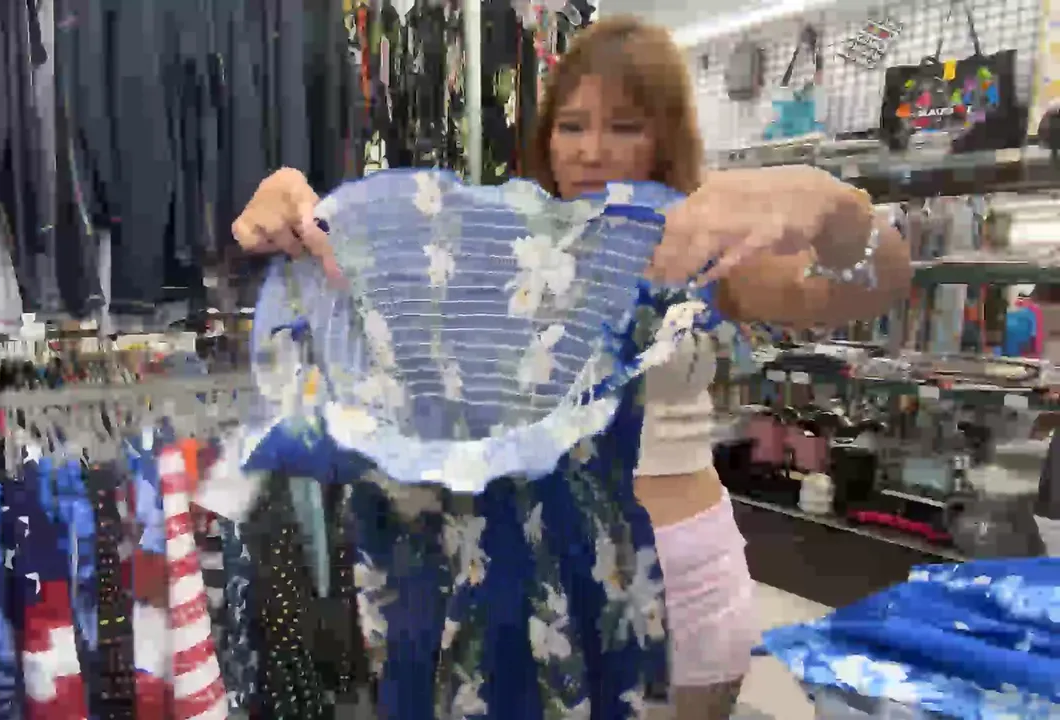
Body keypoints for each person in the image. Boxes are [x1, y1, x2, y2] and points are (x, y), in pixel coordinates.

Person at [231, 16, 911, 719]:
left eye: (624, 127)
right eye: (572, 126)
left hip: (681, 584)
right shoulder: (510, 251)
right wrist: (302, 216)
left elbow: (874, 287)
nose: (590, 150)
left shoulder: (698, 246)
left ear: (665, 136)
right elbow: (378, 303)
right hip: (542, 585)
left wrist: (830, 205)